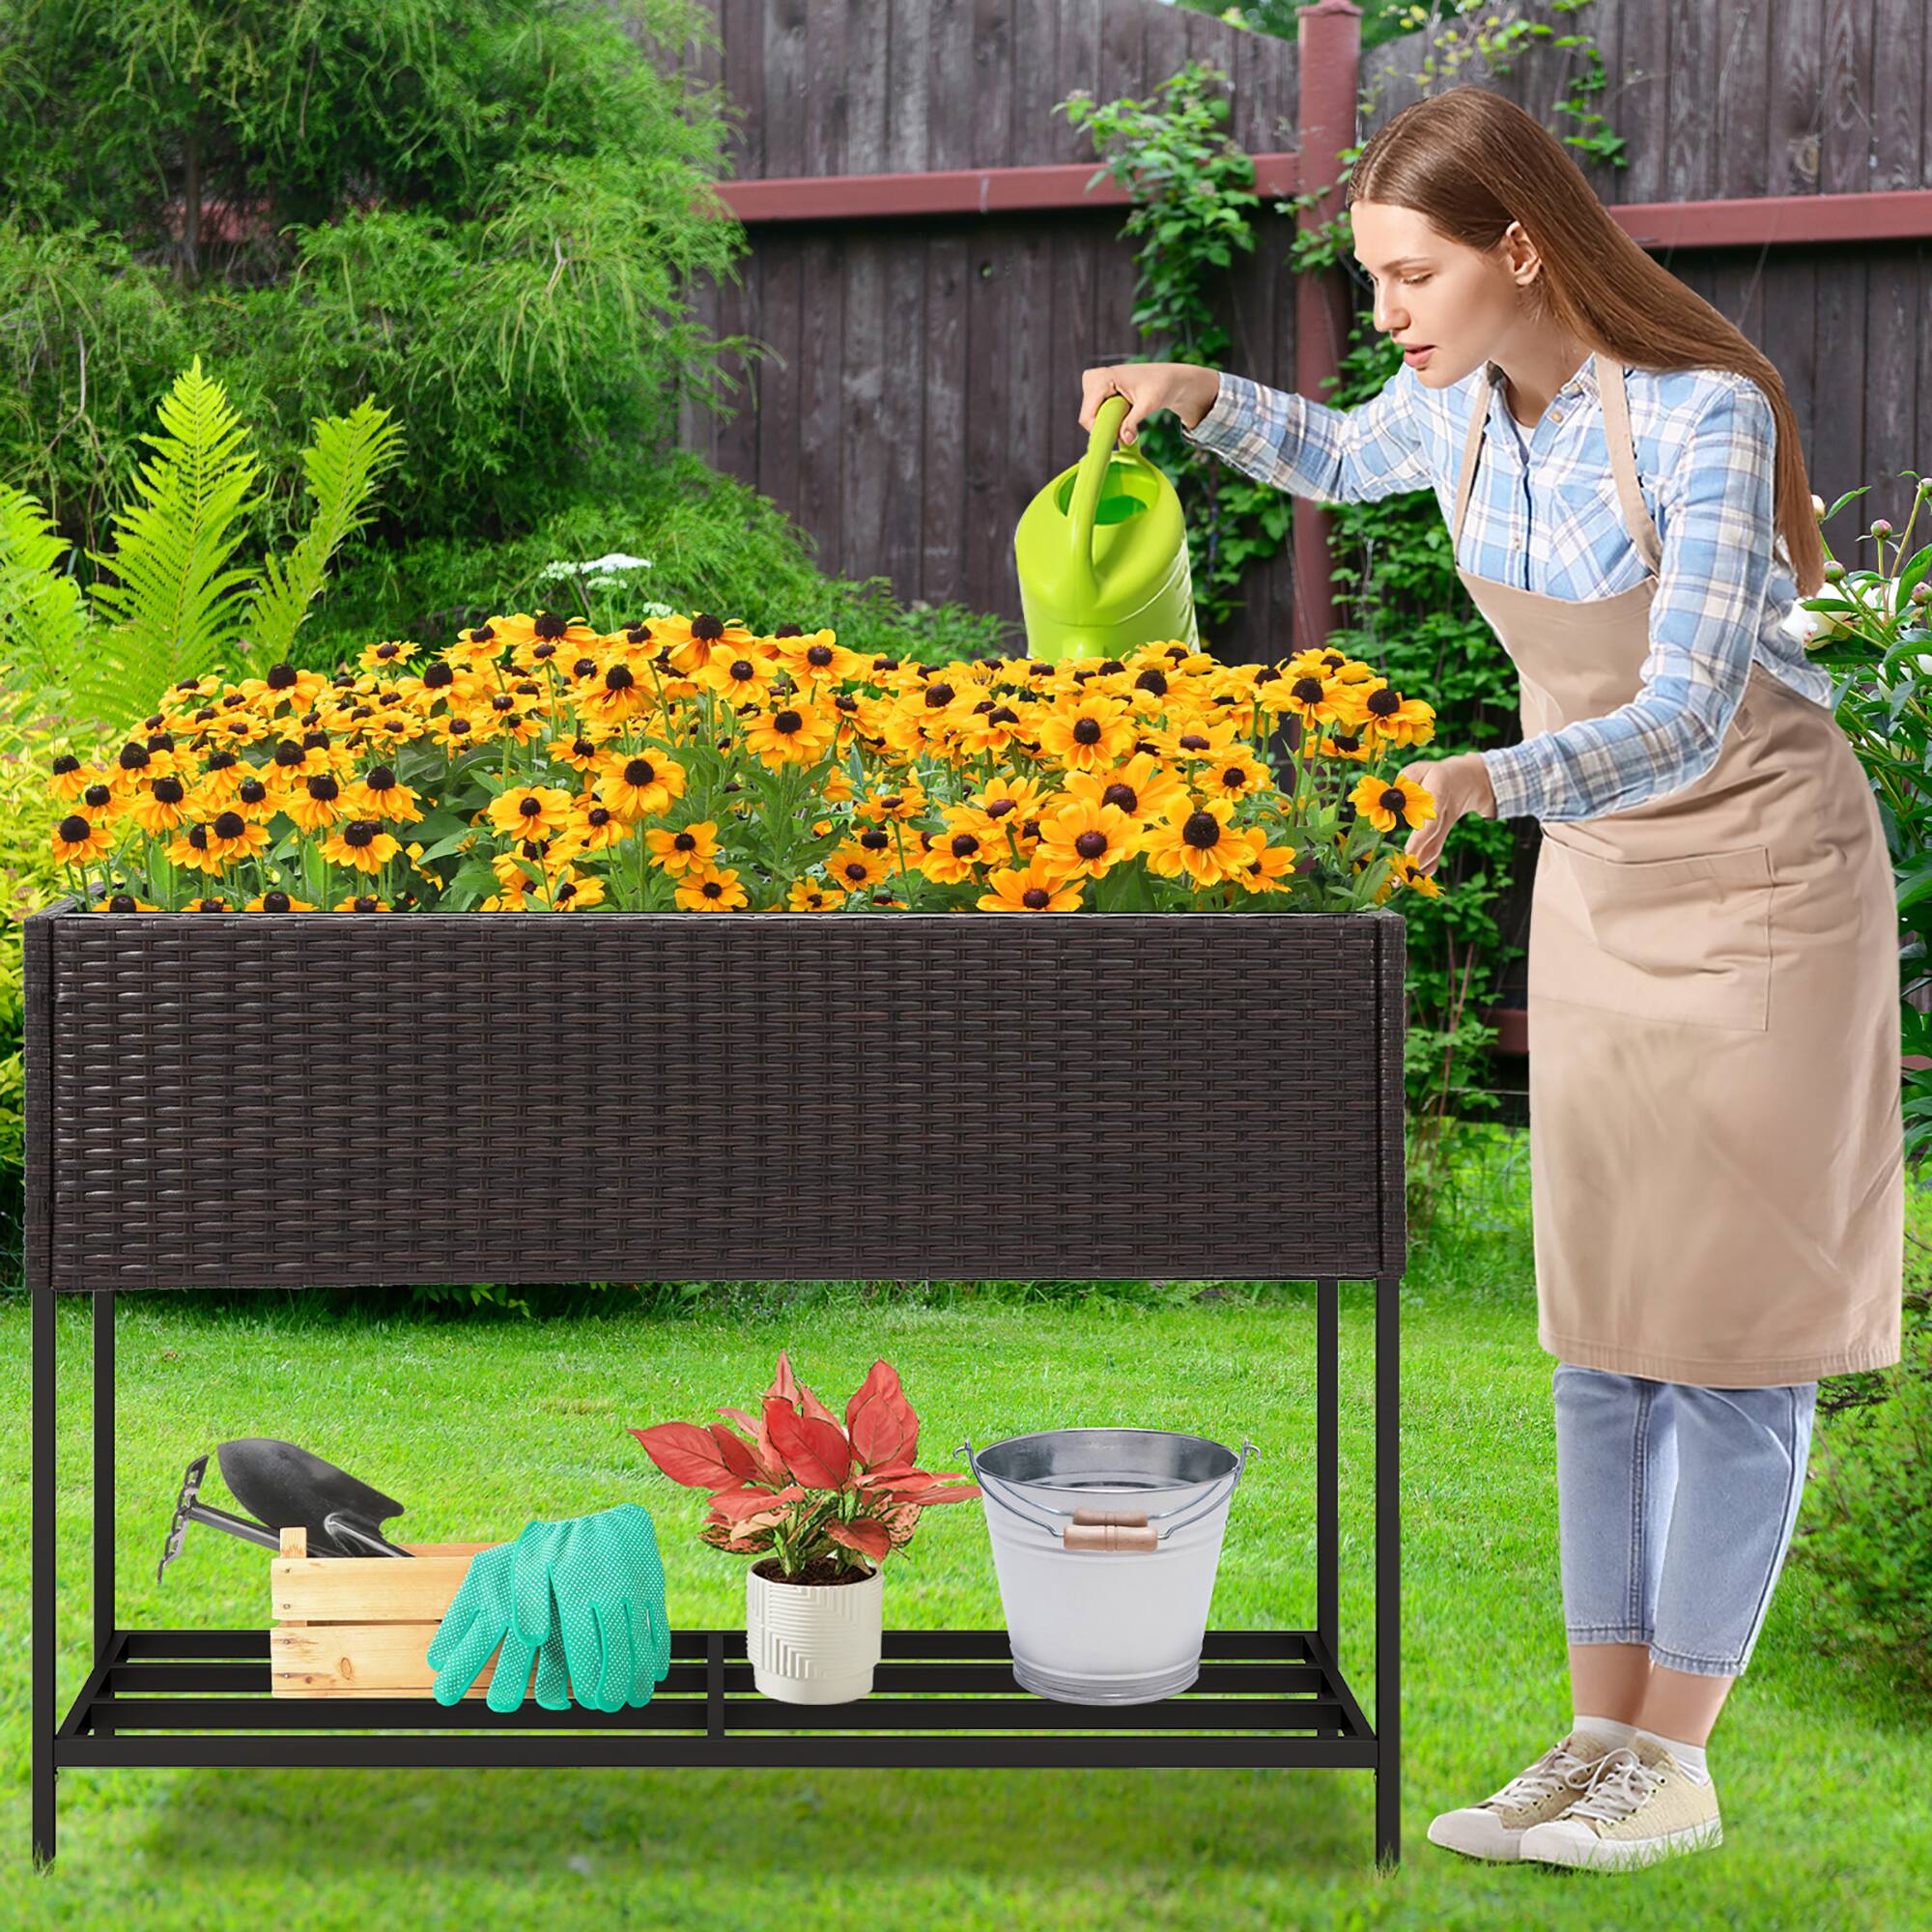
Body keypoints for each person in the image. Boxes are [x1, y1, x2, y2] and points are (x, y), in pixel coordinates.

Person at [1079, 84, 1903, 1874]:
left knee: (1732, 1343)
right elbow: (1340, 453)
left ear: (1521, 249)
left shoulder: (1701, 413)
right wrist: (1197, 396)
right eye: (1373, 278)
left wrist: (1485, 780)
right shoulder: (1461, 407)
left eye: (1411, 276)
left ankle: (1673, 1759)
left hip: (1764, 886)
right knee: (1602, 1336)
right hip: (1603, 884)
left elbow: (1687, 712)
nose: (1384, 313)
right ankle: (1594, 1737)